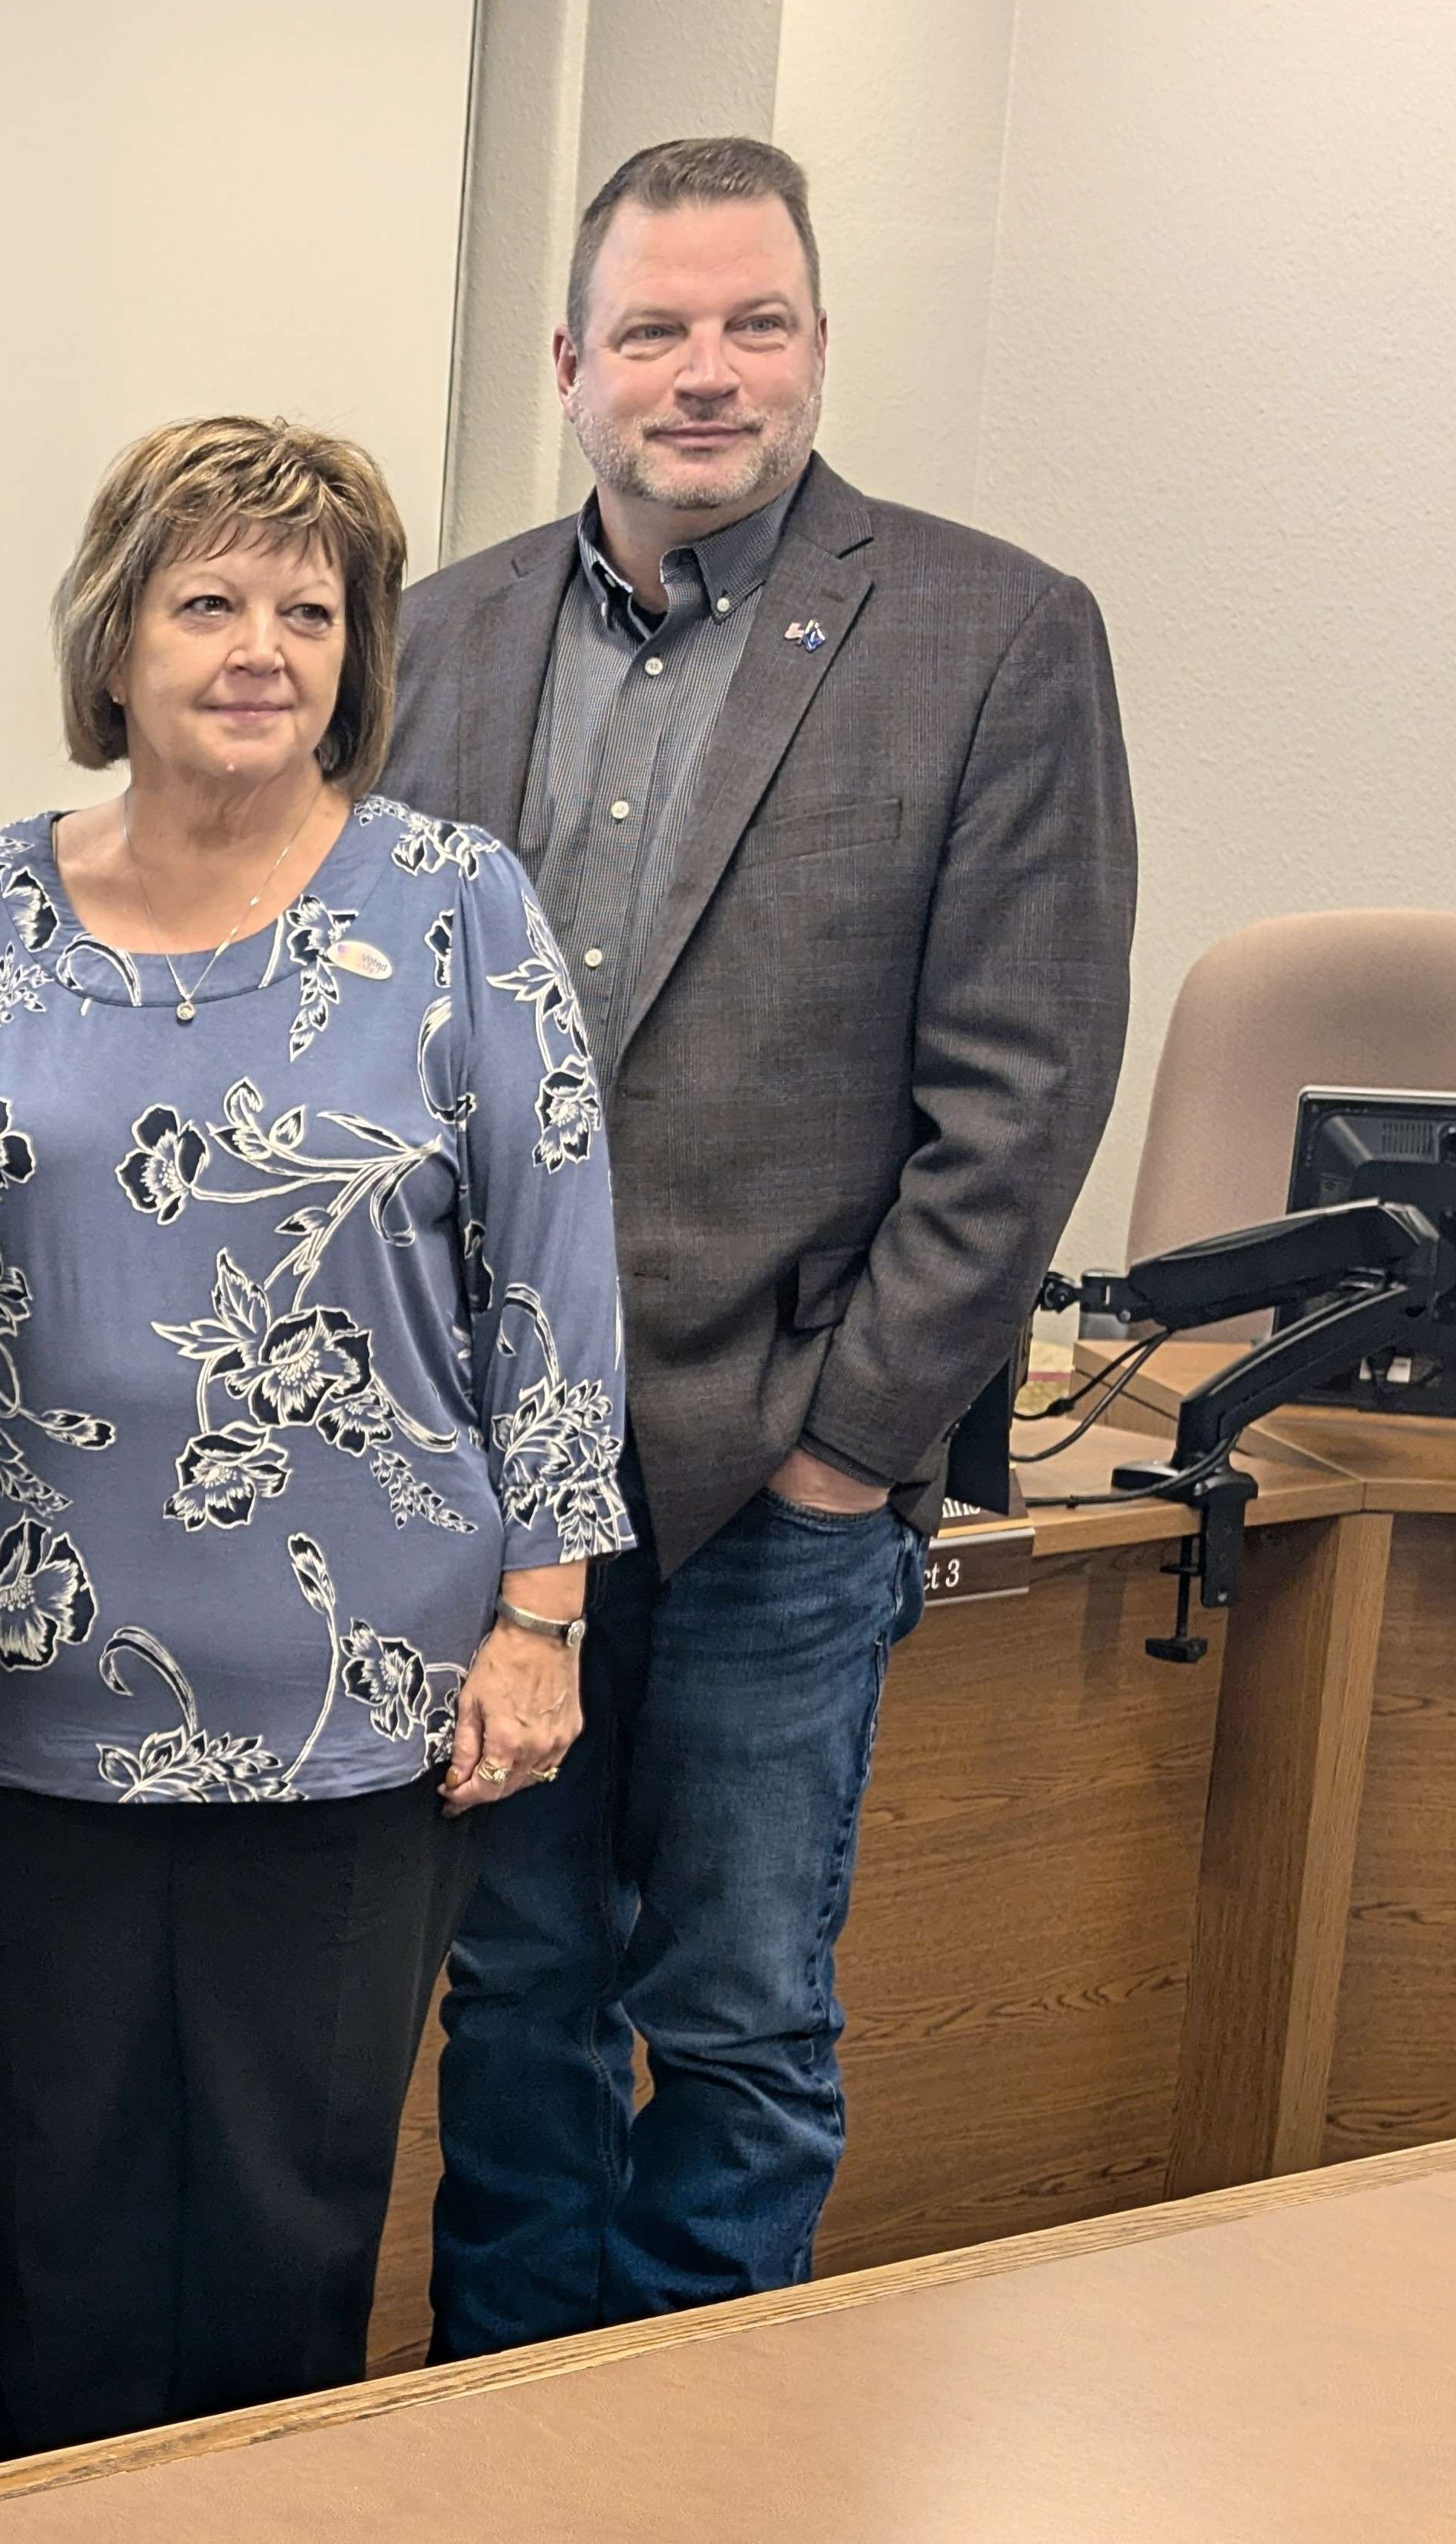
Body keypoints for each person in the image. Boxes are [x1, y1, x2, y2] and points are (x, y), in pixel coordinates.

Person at [388, 137, 1138, 2355]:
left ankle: (705, 2473)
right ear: (568, 363)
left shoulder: (994, 634)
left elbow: (1019, 1100)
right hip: (491, 1489)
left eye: (755, 324)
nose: (703, 374)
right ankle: (511, 2459)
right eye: (654, 329)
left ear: (815, 344)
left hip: (783, 1486)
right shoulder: (443, 634)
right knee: (511, 2011)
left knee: (732, 2024)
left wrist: (849, 1451)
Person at [0, 416, 631, 2458]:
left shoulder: (458, 905)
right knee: (55, 2240)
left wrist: (543, 1617)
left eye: (312, 608)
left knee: (291, 2247)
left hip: (357, 1704)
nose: (262, 646)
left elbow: (554, 1274)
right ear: (113, 639)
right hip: (20, 1698)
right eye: (209, 598)